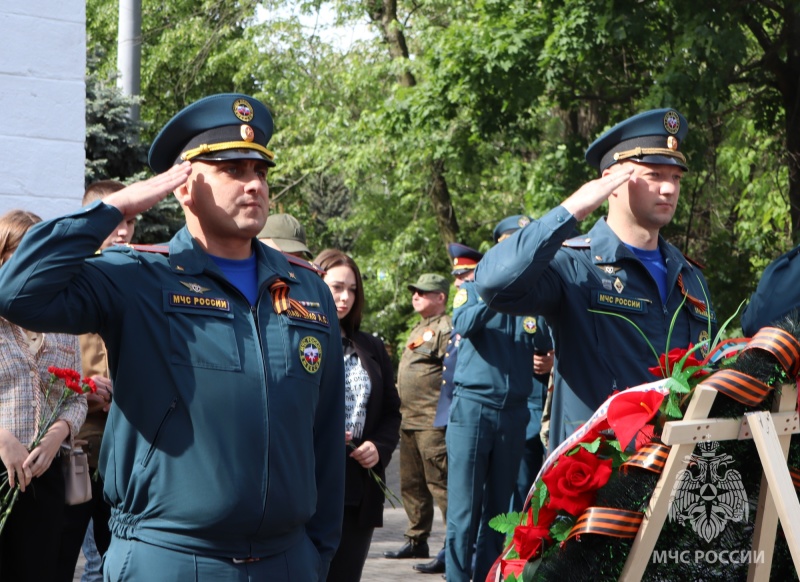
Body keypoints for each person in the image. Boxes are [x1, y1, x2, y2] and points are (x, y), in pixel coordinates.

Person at [0, 93, 345, 580]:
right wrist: (115, 206)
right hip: (170, 558)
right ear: (184, 187)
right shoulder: (138, 276)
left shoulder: (306, 288)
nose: (254, 185)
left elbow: (324, 434)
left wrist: (317, 553)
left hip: (286, 561)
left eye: (260, 171)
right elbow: (16, 292)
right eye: (233, 169)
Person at [474, 108, 716, 452]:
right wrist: (573, 209)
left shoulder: (689, 276)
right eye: (653, 174)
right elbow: (493, 283)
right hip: (597, 476)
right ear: (611, 182)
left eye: (676, 177)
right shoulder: (574, 266)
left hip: (679, 469)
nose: (668, 188)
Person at [444, 216, 539, 582]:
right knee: (464, 514)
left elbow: (545, 343)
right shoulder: (473, 288)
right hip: (473, 410)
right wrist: (499, 291)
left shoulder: (532, 299)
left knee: (500, 514)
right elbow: (465, 324)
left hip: (514, 414)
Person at [0, 210, 88, 581]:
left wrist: (57, 436)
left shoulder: (61, 320)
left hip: (46, 474)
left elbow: (77, 396)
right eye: (20, 253)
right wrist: (3, 439)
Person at [56, 179, 131, 582]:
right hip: (76, 444)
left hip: (125, 444)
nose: (122, 230)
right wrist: (86, 385)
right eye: (114, 219)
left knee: (113, 555)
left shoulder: (139, 279)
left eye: (130, 221)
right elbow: (48, 358)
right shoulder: (69, 278)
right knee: (74, 555)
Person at [314, 249, 401, 582]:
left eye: (352, 289)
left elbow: (392, 411)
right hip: (311, 482)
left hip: (358, 487)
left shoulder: (371, 347)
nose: (345, 297)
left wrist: (378, 446)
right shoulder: (297, 338)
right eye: (337, 287)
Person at [385, 274, 451, 569]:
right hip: (409, 419)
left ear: (441, 297)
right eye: (414, 292)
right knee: (411, 484)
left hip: (431, 421)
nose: (416, 296)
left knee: (440, 484)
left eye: (423, 292)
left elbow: (450, 373)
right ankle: (416, 540)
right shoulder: (420, 328)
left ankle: (454, 547)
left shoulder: (445, 329)